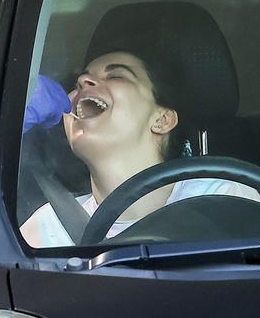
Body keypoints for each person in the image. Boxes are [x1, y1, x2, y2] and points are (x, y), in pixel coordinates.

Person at [21, 50, 260, 248]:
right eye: (78, 82)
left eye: (116, 76)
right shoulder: (44, 228)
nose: (83, 82)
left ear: (162, 120)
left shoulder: (224, 198)